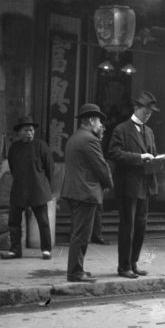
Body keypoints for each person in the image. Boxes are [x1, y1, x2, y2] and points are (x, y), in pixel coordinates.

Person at [108, 91, 160, 279]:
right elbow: (114, 153)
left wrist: (160, 161)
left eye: (151, 113)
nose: (148, 115)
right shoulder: (121, 129)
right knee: (127, 227)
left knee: (140, 226)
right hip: (128, 186)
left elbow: (152, 154)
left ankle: (133, 263)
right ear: (136, 108)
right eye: (146, 112)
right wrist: (140, 157)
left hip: (144, 186)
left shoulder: (150, 132)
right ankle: (123, 266)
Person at [62, 104, 114, 283]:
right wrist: (109, 183)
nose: (101, 126)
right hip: (84, 193)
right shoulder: (89, 139)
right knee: (81, 235)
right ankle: (75, 273)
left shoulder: (75, 137)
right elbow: (101, 166)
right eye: (99, 122)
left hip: (75, 192)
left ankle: (77, 269)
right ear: (91, 121)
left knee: (79, 233)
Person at [1, 116, 54, 260]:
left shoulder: (41, 145)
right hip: (19, 188)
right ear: (19, 132)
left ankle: (46, 250)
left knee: (43, 221)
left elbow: (49, 168)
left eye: (31, 130)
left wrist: (44, 185)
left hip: (38, 188)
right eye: (26, 130)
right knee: (13, 221)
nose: (29, 133)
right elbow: (13, 167)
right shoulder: (14, 147)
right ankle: (15, 250)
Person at [91, 124, 110, 245]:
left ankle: (96, 236)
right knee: (95, 210)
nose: (103, 130)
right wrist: (107, 182)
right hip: (92, 182)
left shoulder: (96, 142)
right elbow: (100, 165)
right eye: (101, 128)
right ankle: (96, 236)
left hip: (96, 182)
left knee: (98, 210)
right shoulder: (93, 142)